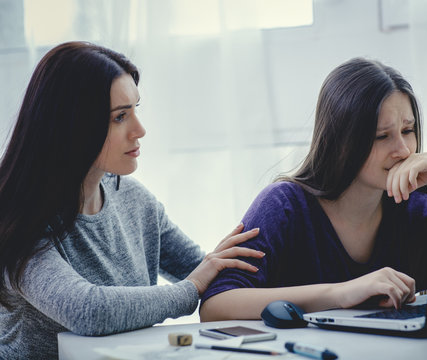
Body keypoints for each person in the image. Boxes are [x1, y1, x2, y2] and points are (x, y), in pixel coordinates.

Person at [0, 41, 263, 359]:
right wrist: (191, 289)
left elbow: (210, 274)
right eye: (119, 117)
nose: (139, 130)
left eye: (135, 110)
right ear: (72, 126)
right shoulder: (19, 219)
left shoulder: (135, 200)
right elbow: (88, 311)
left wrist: (326, 290)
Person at [200, 57, 427, 321]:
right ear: (340, 142)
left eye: (408, 130)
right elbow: (215, 305)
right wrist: (339, 294)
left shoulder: (414, 206)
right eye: (382, 136)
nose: (403, 150)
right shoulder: (283, 205)